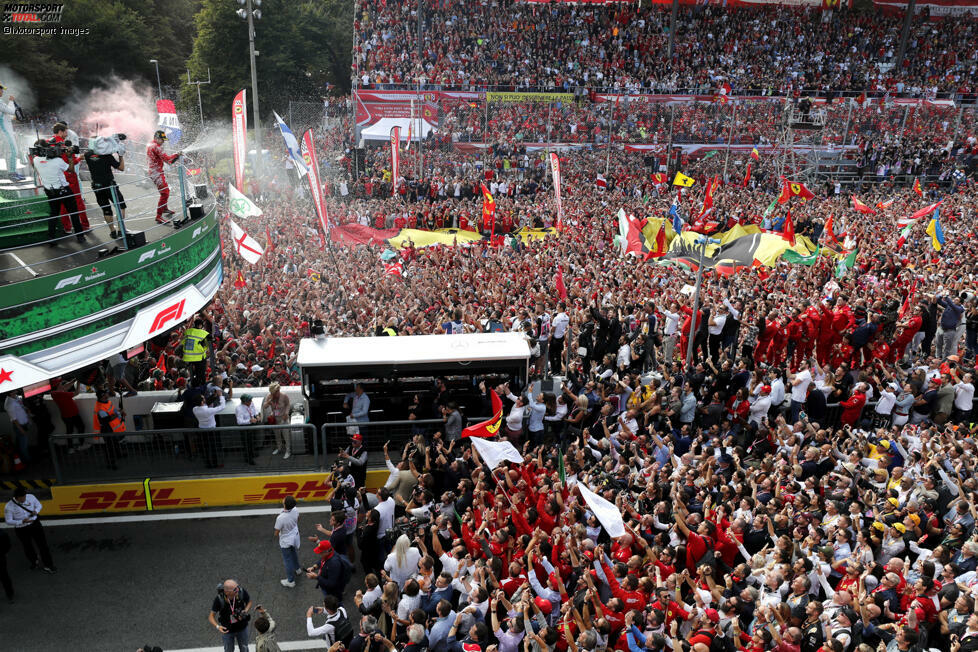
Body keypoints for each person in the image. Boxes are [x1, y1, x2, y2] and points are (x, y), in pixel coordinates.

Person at [32, 138, 84, 243]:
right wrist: (69, 157)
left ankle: (51, 238)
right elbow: (71, 171)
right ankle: (80, 236)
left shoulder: (35, 160)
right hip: (64, 190)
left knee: (54, 214)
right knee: (73, 213)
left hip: (50, 191)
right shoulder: (58, 161)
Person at [4, 487, 55, 573]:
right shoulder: (9, 506)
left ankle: (48, 565)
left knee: (43, 545)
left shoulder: (30, 497)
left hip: (35, 525)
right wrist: (21, 521)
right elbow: (8, 521)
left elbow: (39, 505)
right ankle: (34, 561)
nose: (24, 499)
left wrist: (36, 511)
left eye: (24, 497)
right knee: (27, 547)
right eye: (22, 498)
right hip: (21, 528)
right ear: (16, 497)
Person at [50, 122, 89, 233]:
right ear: (61, 131)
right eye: (66, 132)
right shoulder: (63, 145)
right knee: (78, 201)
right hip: (68, 176)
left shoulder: (49, 143)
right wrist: (79, 158)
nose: (67, 134)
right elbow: (70, 163)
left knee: (62, 203)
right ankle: (84, 225)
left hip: (56, 177)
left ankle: (67, 228)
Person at [83, 138, 126, 239]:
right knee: (120, 206)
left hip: (97, 186)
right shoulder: (107, 156)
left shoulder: (87, 155)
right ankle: (120, 230)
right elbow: (121, 168)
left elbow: (92, 155)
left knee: (106, 209)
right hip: (109, 185)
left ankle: (112, 231)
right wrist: (121, 155)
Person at [146, 129, 181, 223]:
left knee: (166, 191)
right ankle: (158, 216)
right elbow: (169, 161)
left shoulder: (150, 144)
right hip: (156, 173)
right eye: (162, 140)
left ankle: (164, 208)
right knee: (165, 193)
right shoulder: (156, 147)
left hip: (155, 171)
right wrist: (177, 155)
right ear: (156, 138)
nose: (163, 142)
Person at [209, 579, 252, 652]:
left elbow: (249, 602)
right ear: (227, 592)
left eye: (237, 587)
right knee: (228, 650)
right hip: (227, 631)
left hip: (242, 628)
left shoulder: (241, 592)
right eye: (235, 589)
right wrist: (218, 627)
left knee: (244, 649)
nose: (237, 590)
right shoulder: (219, 599)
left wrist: (245, 611)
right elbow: (211, 617)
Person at [49, 377, 88, 454]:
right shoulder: (61, 393)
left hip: (66, 416)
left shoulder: (54, 393)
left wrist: (74, 380)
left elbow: (66, 386)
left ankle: (71, 448)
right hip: (73, 415)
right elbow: (76, 393)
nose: (61, 384)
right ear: (58, 385)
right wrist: (78, 383)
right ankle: (81, 445)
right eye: (60, 383)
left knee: (69, 432)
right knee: (81, 427)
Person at [93, 388, 126, 471]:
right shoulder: (100, 408)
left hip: (111, 428)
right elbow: (107, 419)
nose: (108, 394)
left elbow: (113, 412)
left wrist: (119, 412)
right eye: (106, 393)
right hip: (106, 429)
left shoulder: (107, 402)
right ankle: (110, 463)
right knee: (109, 447)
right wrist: (119, 413)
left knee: (115, 442)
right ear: (103, 396)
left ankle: (118, 454)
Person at [194, 387, 227, 469]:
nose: (205, 399)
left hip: (202, 430)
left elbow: (205, 403)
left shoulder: (194, 409)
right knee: (213, 448)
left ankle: (208, 464)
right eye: (203, 398)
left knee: (206, 448)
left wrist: (214, 395)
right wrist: (221, 396)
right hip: (211, 430)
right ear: (202, 402)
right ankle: (215, 464)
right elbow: (222, 407)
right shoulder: (208, 411)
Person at [275, 495, 301, 588]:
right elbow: (298, 519)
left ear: (285, 504)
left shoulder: (280, 518)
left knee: (287, 560)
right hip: (294, 535)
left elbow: (277, 532)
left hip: (285, 540)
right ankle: (298, 569)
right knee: (293, 552)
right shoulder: (295, 510)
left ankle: (290, 581)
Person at [262, 382, 292, 459]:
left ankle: (288, 450)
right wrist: (269, 402)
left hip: (283, 418)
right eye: (275, 392)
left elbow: (288, 404)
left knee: (286, 436)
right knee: (277, 435)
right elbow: (264, 407)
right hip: (275, 419)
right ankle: (279, 448)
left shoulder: (284, 396)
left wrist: (286, 413)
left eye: (278, 391)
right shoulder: (269, 396)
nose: (277, 393)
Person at [4, 389, 34, 465]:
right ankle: (27, 461)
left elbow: (21, 406)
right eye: (14, 390)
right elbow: (14, 419)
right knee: (23, 445)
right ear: (10, 392)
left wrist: (27, 411)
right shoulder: (9, 404)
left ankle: (23, 460)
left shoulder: (16, 397)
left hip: (24, 423)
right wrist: (21, 429)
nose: (16, 390)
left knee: (22, 443)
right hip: (19, 426)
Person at [0, 83, 23, 181]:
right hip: (5, 131)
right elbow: (11, 111)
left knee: (9, 151)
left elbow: (7, 115)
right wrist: (11, 101)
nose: (2, 91)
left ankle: (12, 172)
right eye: (1, 89)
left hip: (5, 130)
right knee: (13, 151)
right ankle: (12, 173)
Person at [181, 318, 211, 387]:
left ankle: (194, 383)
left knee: (195, 373)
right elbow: (211, 338)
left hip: (187, 357)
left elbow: (183, 342)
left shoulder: (187, 331)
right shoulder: (203, 333)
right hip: (198, 358)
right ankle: (200, 385)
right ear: (200, 325)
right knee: (201, 373)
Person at [236, 393, 259, 465]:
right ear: (244, 402)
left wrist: (257, 415)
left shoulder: (251, 403)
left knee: (253, 440)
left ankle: (252, 453)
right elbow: (239, 422)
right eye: (249, 401)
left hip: (252, 424)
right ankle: (249, 459)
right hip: (244, 427)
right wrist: (249, 421)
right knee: (247, 444)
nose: (251, 402)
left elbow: (255, 410)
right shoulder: (239, 409)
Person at [0, 529, 13, 604]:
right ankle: (10, 593)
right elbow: (7, 546)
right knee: (4, 576)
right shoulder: (3, 534)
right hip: (1, 558)